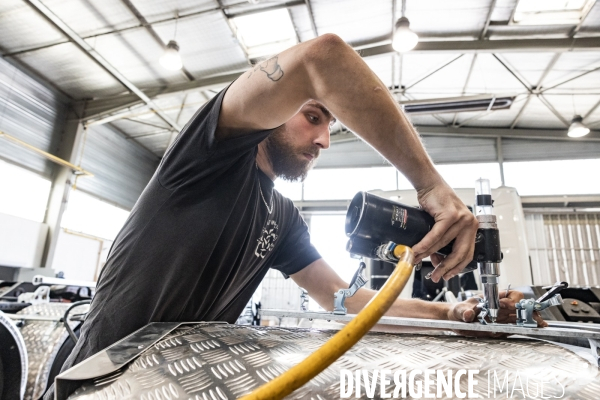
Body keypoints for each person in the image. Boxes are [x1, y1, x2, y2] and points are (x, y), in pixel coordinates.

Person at [45, 34, 545, 399]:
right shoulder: (209, 153)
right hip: (101, 377)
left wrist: (455, 314)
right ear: (273, 110)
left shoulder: (282, 217)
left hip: (171, 385)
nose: (324, 140)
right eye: (313, 117)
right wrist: (431, 184)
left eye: (329, 126)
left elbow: (347, 300)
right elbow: (321, 58)